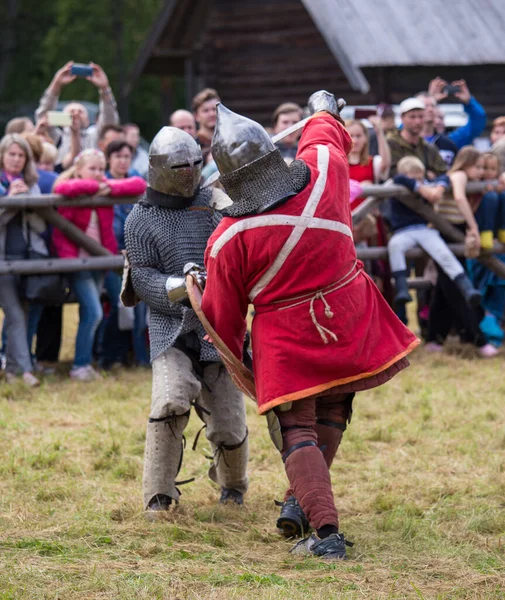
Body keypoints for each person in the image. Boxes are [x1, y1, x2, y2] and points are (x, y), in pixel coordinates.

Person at [201, 92, 419, 560]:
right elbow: (323, 139)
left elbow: (223, 318)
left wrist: (227, 344)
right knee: (334, 408)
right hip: (349, 318)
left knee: (297, 426)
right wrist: (323, 108)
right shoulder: (324, 176)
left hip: (288, 337)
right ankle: (300, 503)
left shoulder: (227, 238)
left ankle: (325, 533)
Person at [123, 126, 249, 513]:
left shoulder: (216, 201)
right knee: (169, 402)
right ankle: (159, 497)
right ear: (159, 167)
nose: (190, 171)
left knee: (228, 422)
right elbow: (141, 276)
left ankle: (233, 488)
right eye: (179, 166)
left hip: (219, 325)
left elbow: (242, 242)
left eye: (195, 163)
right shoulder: (141, 218)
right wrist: (184, 285)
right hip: (172, 328)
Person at [52, 149, 145, 381]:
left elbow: (138, 184)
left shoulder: (105, 187)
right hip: (77, 261)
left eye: (100, 169)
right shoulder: (74, 187)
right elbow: (61, 188)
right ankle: (80, 365)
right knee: (93, 312)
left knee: (95, 311)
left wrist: (109, 187)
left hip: (100, 259)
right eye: (91, 169)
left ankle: (88, 360)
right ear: (79, 169)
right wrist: (98, 187)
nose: (96, 174)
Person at [426, 147, 499, 358]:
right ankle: (477, 339)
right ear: (466, 163)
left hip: (454, 231)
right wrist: (474, 227)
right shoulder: (458, 175)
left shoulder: (467, 179)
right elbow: (459, 198)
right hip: (447, 231)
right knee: (456, 287)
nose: (480, 171)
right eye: (477, 167)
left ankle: (434, 337)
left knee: (445, 286)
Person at [388, 156, 481, 307]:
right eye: (415, 178)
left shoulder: (427, 184)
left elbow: (444, 177)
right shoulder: (399, 182)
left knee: (442, 252)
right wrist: (421, 189)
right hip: (402, 230)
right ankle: (401, 287)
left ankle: (466, 287)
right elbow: (399, 179)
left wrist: (439, 187)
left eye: (421, 178)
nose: (419, 181)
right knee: (395, 246)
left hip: (424, 229)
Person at [0, 134, 46, 386]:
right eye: (12, 154)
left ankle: (11, 370)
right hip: (3, 260)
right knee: (15, 315)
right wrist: (10, 201)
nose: (16, 160)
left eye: (21, 155)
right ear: (2, 156)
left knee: (23, 313)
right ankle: (25, 371)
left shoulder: (32, 183)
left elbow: (40, 227)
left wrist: (29, 202)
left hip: (28, 258)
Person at [99, 140, 148, 369]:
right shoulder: (99, 181)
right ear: (108, 158)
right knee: (115, 305)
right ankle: (110, 357)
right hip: (107, 257)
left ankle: (140, 358)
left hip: (135, 256)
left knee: (139, 309)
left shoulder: (136, 179)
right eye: (118, 156)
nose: (122, 161)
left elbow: (140, 184)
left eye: (127, 156)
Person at [36, 61, 119, 169]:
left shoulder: (95, 136)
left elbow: (109, 119)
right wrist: (56, 84)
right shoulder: (56, 137)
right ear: (61, 120)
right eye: (71, 112)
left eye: (80, 112)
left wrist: (105, 89)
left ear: (88, 120)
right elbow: (44, 115)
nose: (75, 114)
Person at [387, 98, 447, 178]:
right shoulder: (391, 143)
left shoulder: (428, 147)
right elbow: (392, 172)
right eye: (412, 117)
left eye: (421, 116)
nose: (417, 121)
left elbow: (442, 172)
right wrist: (425, 174)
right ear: (402, 118)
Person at [427, 78, 486, 149]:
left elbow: (477, 122)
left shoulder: (451, 141)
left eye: (441, 118)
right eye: (433, 117)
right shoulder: (415, 140)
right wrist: (430, 100)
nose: (438, 122)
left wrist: (469, 102)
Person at [416, 93, 459, 166]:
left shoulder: (448, 144)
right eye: (425, 106)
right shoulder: (408, 141)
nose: (430, 109)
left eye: (433, 106)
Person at [192, 88, 220, 161]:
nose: (212, 114)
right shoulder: (192, 145)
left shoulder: (228, 140)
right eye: (206, 111)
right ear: (196, 116)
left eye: (214, 109)